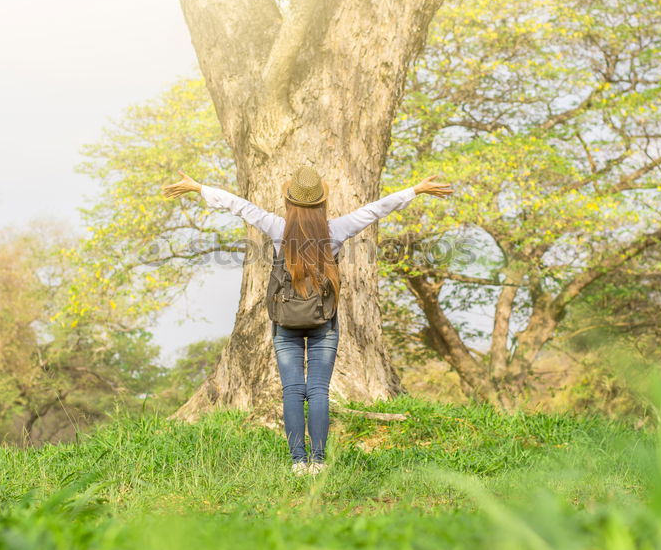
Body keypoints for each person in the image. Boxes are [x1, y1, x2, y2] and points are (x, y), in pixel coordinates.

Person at [162, 165, 452, 475]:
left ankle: (298, 462)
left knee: (292, 392)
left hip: (285, 322)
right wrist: (415, 190)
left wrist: (198, 188)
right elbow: (375, 210)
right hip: (323, 323)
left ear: (289, 202)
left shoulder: (276, 228)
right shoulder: (336, 230)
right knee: (317, 391)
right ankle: (319, 460)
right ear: (322, 203)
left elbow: (240, 206)